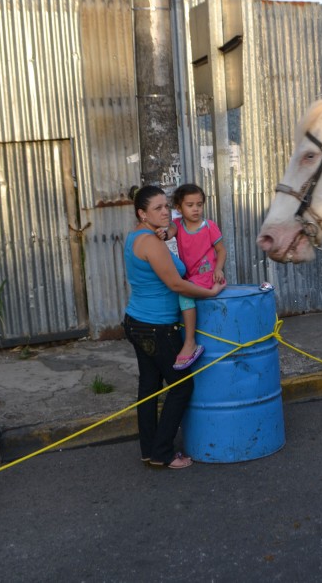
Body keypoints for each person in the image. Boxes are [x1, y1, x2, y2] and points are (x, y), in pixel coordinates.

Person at [123, 185, 225, 469]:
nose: (165, 211)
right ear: (142, 213)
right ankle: (163, 453)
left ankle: (149, 450)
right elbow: (176, 284)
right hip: (157, 328)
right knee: (181, 387)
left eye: (166, 206)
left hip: (136, 322)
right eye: (157, 208)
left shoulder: (135, 237)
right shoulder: (152, 243)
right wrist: (210, 293)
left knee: (150, 387)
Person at [166, 183, 227, 370]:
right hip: (191, 275)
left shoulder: (209, 226)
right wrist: (162, 233)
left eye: (199, 204)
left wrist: (219, 269)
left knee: (184, 294)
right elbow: (169, 233)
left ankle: (190, 342)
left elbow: (221, 250)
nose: (195, 209)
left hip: (207, 274)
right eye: (190, 205)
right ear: (179, 208)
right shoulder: (177, 225)